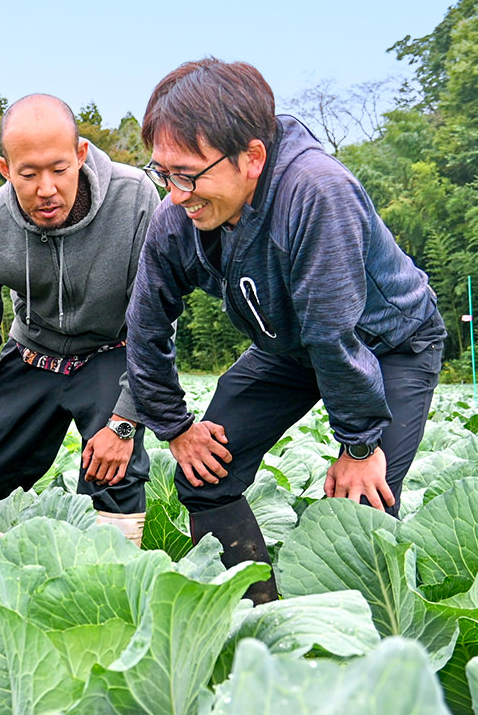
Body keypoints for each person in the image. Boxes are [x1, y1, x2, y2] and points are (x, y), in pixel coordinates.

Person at [126, 59, 447, 604]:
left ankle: (356, 650)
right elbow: (145, 326)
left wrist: (360, 442)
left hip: (389, 344)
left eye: (189, 173)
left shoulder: (318, 192)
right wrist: (175, 426)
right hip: (291, 347)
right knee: (205, 475)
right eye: (164, 172)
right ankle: (259, 623)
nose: (176, 193)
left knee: (361, 504)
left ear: (252, 157)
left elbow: (333, 333)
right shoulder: (176, 217)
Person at [0, 94, 159, 543]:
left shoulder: (136, 200)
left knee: (115, 471)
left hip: (110, 351)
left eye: (59, 169)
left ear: (81, 154)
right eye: (28, 174)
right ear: (5, 169)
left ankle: (114, 579)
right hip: (33, 355)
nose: (45, 188)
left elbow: (155, 320)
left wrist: (124, 422)